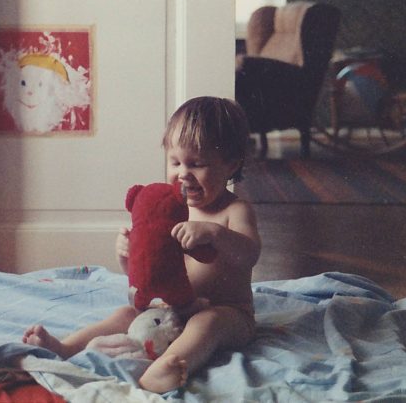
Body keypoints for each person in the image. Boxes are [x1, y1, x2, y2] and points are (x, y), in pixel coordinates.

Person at [22, 96, 261, 393]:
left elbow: (249, 254)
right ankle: (67, 347)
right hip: (172, 310)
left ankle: (170, 366)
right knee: (126, 315)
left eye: (197, 164)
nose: (183, 174)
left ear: (230, 165)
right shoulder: (172, 209)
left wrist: (216, 234)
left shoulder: (235, 210)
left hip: (229, 313)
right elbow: (150, 271)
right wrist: (128, 255)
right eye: (175, 162)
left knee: (207, 323)